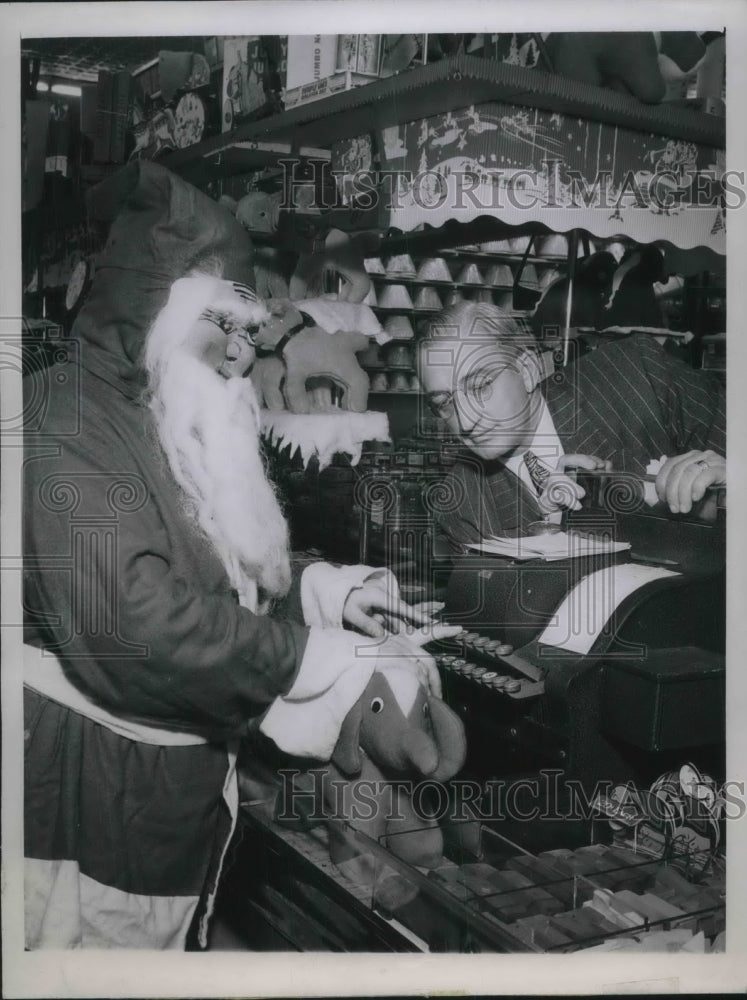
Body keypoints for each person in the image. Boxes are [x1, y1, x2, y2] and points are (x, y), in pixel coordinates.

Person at [22, 161, 456, 950]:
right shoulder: (63, 417)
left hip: (164, 801)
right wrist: (310, 658)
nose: (236, 357)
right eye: (218, 324)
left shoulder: (154, 411)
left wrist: (317, 595)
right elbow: (135, 623)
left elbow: (205, 584)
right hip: (81, 796)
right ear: (151, 306)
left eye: (247, 333)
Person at [416, 301, 726, 548]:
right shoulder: (458, 505)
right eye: (444, 403)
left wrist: (729, 483)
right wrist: (551, 524)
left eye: (480, 386)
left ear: (526, 370)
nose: (466, 421)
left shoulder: (637, 374)